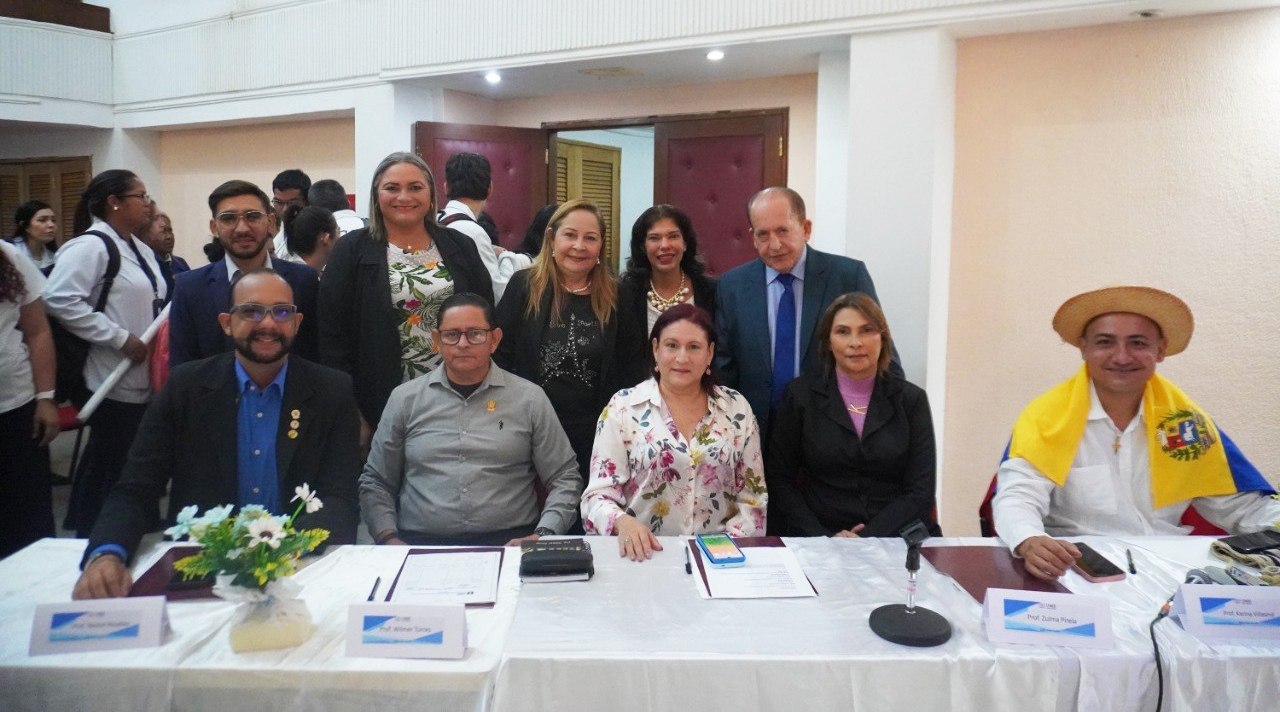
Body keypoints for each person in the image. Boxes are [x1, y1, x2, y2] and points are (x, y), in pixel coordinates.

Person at [72, 268, 361, 599]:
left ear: (296, 324)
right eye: (251, 311)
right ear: (227, 323)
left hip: (299, 571)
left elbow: (340, 499)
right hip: (203, 570)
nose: (268, 324)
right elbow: (136, 488)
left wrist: (277, 555)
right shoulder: (185, 388)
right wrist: (107, 553)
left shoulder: (331, 391)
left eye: (281, 312)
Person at [993, 286, 1280, 581]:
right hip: (1079, 571)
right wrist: (1029, 539)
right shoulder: (1046, 418)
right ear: (1084, 348)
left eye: (1138, 343)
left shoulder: (1186, 425)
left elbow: (1241, 508)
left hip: (1171, 570)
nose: (1121, 357)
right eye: (1105, 342)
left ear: (1160, 350)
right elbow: (1018, 497)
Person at [360, 292, 581, 546]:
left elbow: (565, 477)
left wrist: (543, 535)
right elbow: (376, 481)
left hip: (511, 544)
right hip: (419, 545)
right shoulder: (405, 400)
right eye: (452, 335)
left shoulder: (529, 399)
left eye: (475, 334)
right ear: (437, 340)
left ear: (494, 339)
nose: (463, 344)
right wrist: (388, 538)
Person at [318, 152, 493, 451]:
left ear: (431, 194)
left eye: (415, 187)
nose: (404, 197)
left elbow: (485, 315)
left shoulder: (460, 245)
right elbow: (332, 337)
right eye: (392, 188)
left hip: (459, 397)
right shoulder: (351, 250)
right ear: (376, 195)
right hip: (379, 400)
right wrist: (351, 410)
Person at [583, 304, 766, 560]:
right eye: (672, 346)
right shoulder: (623, 408)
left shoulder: (737, 409)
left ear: (710, 353)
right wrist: (622, 522)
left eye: (694, 347)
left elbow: (753, 499)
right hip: (642, 557)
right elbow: (596, 498)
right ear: (655, 349)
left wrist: (725, 554)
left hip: (720, 559)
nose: (682, 358)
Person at [715, 186, 900, 436]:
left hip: (832, 432)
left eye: (783, 231)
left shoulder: (847, 276)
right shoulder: (732, 286)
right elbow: (724, 369)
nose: (774, 245)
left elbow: (883, 356)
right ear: (753, 237)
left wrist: (887, 432)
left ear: (806, 229)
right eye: (763, 235)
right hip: (755, 433)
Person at [44, 169, 164, 537]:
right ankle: (95, 533)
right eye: (140, 196)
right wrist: (117, 337)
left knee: (122, 459)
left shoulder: (138, 247)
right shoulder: (90, 247)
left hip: (141, 375)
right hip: (108, 376)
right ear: (114, 202)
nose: (147, 203)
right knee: (112, 460)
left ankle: (122, 528)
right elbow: (58, 298)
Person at [494, 199, 647, 484]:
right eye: (570, 235)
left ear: (601, 246)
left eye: (590, 238)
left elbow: (632, 366)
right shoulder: (524, 286)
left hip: (597, 434)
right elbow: (500, 355)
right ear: (552, 239)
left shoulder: (618, 295)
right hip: (529, 430)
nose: (579, 246)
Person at [766, 292, 938, 538]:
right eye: (843, 332)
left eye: (867, 330)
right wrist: (823, 537)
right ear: (828, 341)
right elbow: (779, 480)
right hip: (819, 536)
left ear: (883, 339)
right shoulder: (800, 396)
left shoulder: (912, 401)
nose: (855, 342)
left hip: (895, 537)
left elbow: (921, 491)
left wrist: (865, 538)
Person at [168, 180, 320, 367]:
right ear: (214, 227)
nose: (242, 228)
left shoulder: (304, 280)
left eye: (252, 216)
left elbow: (315, 356)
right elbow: (182, 368)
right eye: (228, 218)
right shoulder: (190, 288)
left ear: (271, 222)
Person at [0, 240, 58, 557]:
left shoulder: (8, 256)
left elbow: (38, 331)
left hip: (16, 407)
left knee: (29, 523)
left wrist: (45, 397)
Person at [618, 204, 717, 371]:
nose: (664, 245)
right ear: (643, 247)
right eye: (654, 238)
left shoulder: (712, 292)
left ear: (685, 243)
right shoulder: (624, 294)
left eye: (673, 236)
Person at [439, 152, 529, 302]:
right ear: (490, 188)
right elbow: (497, 294)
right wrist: (507, 257)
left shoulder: (436, 220)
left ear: (446, 187)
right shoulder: (474, 232)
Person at [139, 209, 189, 299]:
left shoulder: (180, 264)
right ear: (147, 235)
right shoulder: (143, 265)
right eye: (163, 232)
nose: (169, 237)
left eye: (170, 231)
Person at [270, 168, 310, 262]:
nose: (285, 210)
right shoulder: (277, 240)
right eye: (278, 202)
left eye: (292, 203)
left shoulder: (320, 238)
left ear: (307, 202)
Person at [282, 204, 337, 273]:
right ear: (327, 238)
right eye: (338, 231)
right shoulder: (304, 276)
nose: (340, 238)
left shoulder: (288, 272)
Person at [9, 200, 58, 272]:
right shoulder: (9, 251)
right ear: (25, 225)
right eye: (42, 220)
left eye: (53, 220)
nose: (51, 225)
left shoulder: (54, 256)